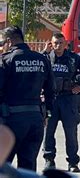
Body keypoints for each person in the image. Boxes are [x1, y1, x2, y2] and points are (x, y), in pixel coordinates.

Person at [0, 26, 55, 172]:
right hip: (35, 119)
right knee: (28, 167)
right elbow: (50, 89)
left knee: (4, 166)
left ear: (9, 41)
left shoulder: (6, 60)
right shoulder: (41, 60)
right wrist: (47, 113)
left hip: (11, 120)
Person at [42, 32, 80, 172]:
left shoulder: (73, 58)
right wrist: (44, 51)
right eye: (55, 43)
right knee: (48, 132)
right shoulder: (45, 58)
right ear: (51, 43)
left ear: (65, 44)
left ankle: (73, 162)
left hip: (68, 99)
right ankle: (49, 161)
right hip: (51, 99)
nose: (58, 46)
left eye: (60, 43)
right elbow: (36, 65)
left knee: (71, 133)